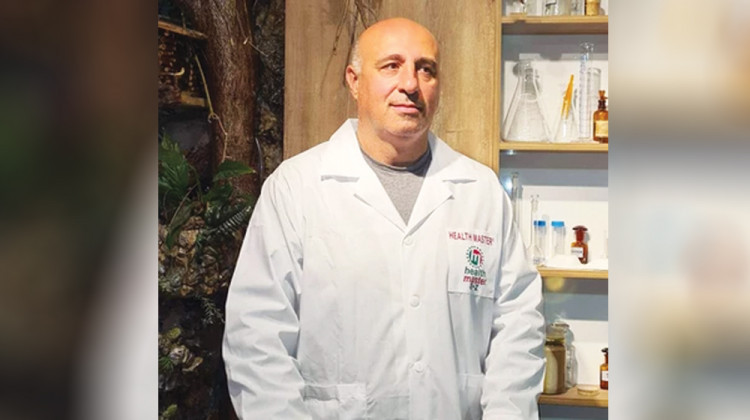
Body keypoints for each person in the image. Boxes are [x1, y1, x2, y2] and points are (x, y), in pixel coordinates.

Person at [223, 17, 545, 420]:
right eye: (391, 66)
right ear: (354, 81)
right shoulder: (296, 188)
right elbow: (257, 338)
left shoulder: (480, 191)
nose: (410, 83)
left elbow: (518, 325)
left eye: (425, 69)